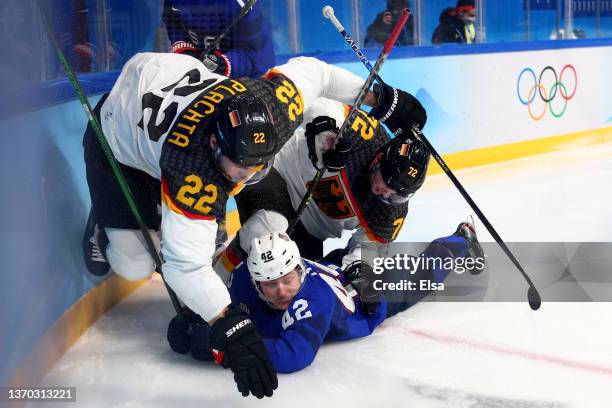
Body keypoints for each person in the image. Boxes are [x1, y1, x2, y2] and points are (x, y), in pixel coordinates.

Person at [81, 51, 426, 398]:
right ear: (215, 144)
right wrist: (228, 323)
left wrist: (380, 98)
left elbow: (317, 74)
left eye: (259, 165)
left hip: (166, 74)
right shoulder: (194, 171)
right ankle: (110, 216)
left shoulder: (272, 104)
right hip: (118, 140)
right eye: (240, 170)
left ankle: (196, 64)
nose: (249, 177)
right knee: (136, 263)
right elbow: (184, 267)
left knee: (253, 233)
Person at [168, 223, 486, 373]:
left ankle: (460, 239)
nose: (281, 290)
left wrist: (219, 346)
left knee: (422, 274)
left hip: (366, 300)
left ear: (299, 271)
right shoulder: (243, 281)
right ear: (255, 281)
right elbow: (227, 306)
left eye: (287, 280)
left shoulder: (312, 302)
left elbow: (293, 356)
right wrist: (197, 316)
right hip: (332, 269)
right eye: (270, 284)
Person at [214, 95, 428, 282]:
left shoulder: (391, 213)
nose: (386, 193)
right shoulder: (367, 137)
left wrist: (358, 272)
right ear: (378, 160)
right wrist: (325, 131)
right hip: (279, 173)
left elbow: (368, 251)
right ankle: (216, 277)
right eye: (386, 182)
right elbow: (322, 102)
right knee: (268, 231)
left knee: (291, 280)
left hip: (308, 231)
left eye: (397, 195)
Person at [163, 0, 275, 78]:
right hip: (203, 77)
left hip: (253, 77)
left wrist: (222, 64)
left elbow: (252, 54)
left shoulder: (237, 3)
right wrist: (186, 49)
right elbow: (173, 22)